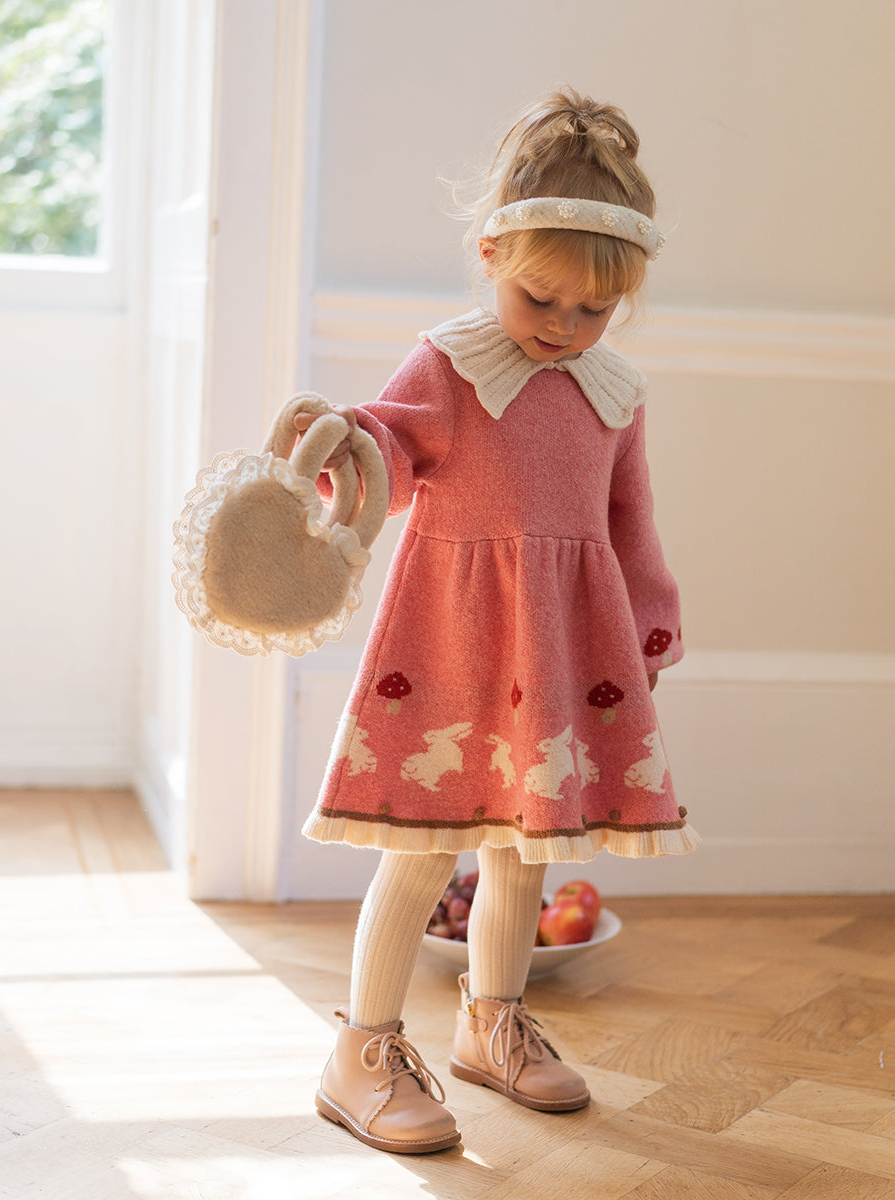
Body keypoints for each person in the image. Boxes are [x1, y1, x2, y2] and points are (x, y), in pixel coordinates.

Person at [299, 87, 699, 1155]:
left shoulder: (614, 392)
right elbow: (387, 456)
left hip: (563, 651)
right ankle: (360, 1053)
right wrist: (342, 446)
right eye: (542, 298)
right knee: (423, 850)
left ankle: (492, 1023)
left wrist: (650, 624)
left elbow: (632, 525)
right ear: (491, 255)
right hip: (452, 647)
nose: (565, 327)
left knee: (526, 851)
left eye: (594, 310)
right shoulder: (451, 364)